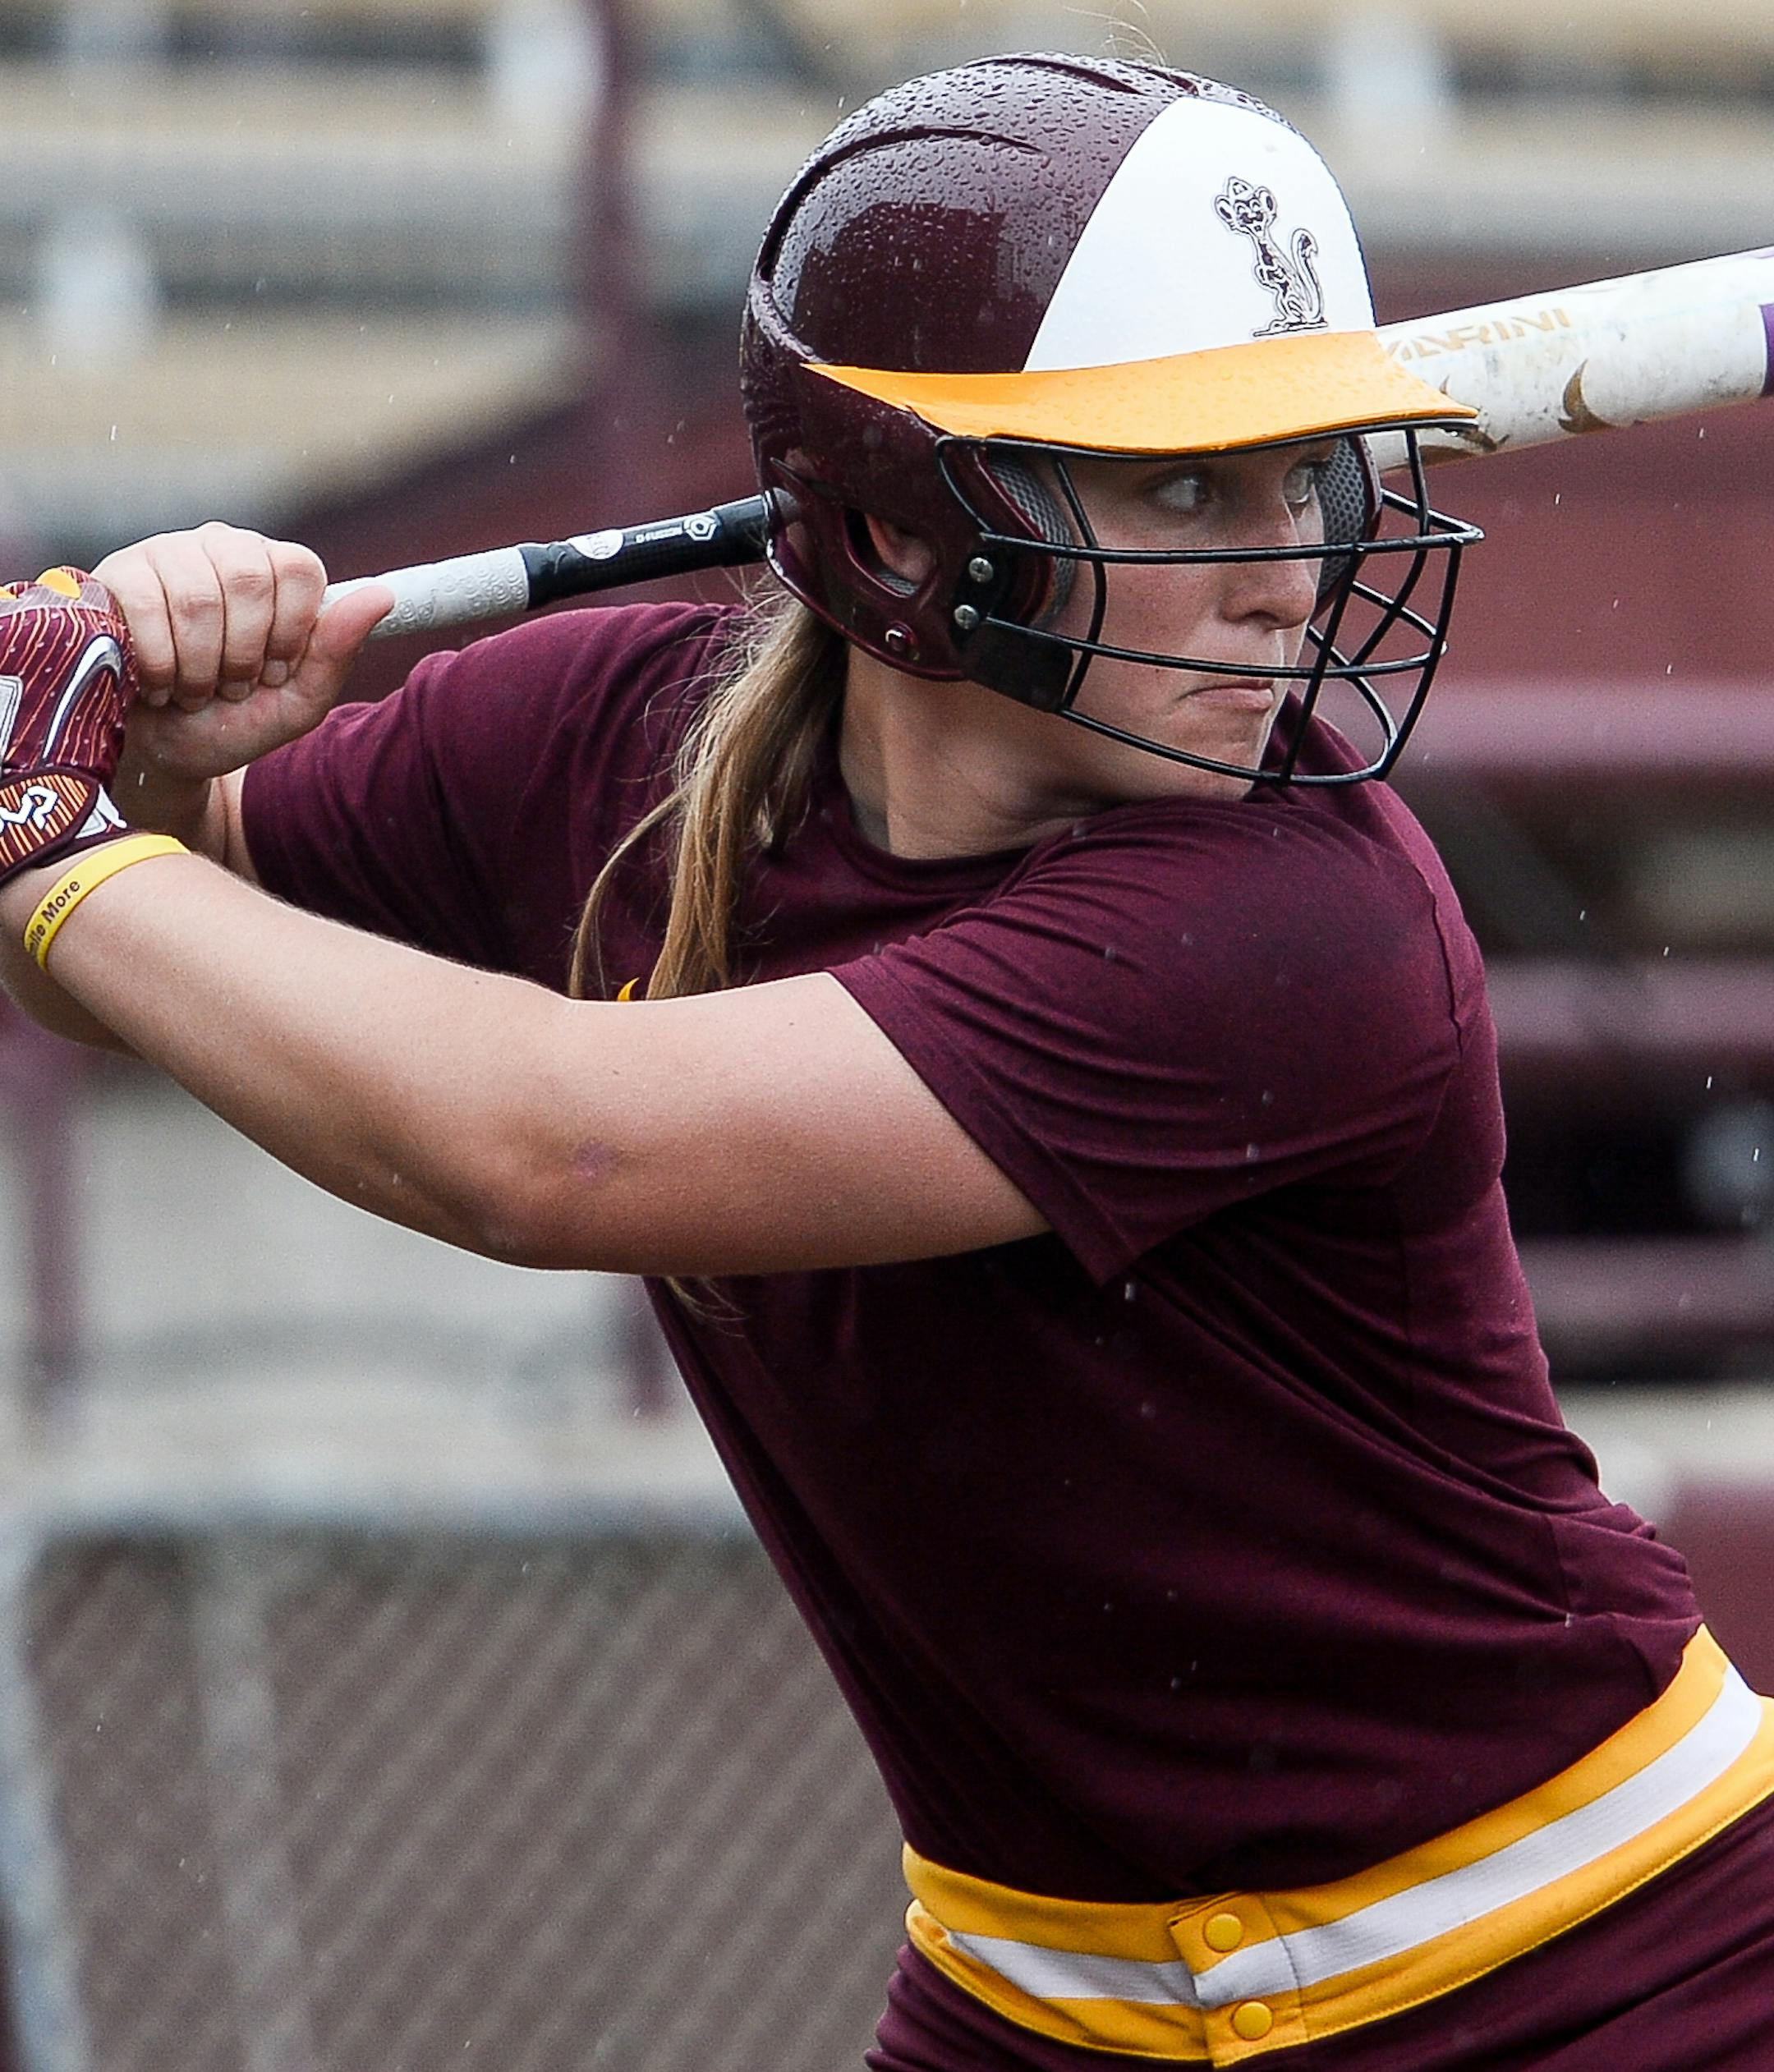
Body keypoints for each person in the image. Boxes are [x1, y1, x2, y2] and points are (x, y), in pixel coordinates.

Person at [2, 51, 1772, 2070]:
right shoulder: (613, 739)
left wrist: (52, 831)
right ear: (910, 545)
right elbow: (133, 957)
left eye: (1307, 469)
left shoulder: (1299, 917)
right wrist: (131, 761)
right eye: (1189, 483)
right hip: (1049, 1998)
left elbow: (550, 1157)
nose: (1292, 564)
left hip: (1601, 1967)